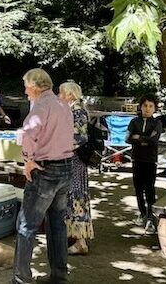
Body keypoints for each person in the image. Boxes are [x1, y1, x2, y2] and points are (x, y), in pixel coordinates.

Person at [13, 68, 74, 284]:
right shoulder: (62, 104)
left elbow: (29, 134)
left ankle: (21, 278)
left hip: (46, 170)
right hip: (67, 168)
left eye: (26, 85)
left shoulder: (42, 105)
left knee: (27, 224)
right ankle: (59, 275)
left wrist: (28, 159)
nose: (25, 89)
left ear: (36, 86)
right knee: (57, 224)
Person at [59, 81, 94, 255]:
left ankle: (80, 241)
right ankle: (75, 236)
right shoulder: (73, 110)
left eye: (61, 93)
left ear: (70, 95)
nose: (59, 96)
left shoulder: (77, 111)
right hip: (72, 160)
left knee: (76, 198)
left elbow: (80, 138)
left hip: (75, 162)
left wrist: (59, 147)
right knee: (72, 198)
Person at [126, 94, 163, 234]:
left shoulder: (157, 123)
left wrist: (139, 137)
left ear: (154, 108)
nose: (147, 109)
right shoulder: (134, 121)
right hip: (137, 159)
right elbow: (128, 138)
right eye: (145, 106)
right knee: (138, 188)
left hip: (150, 160)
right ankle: (142, 213)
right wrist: (144, 139)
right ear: (140, 107)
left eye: (150, 106)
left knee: (150, 189)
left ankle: (150, 217)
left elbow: (154, 140)